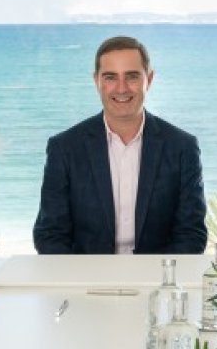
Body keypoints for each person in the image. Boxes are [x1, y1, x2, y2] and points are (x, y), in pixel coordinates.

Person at [33, 36, 207, 254]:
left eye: (132, 77)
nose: (121, 88)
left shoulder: (182, 147)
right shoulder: (64, 148)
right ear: (96, 81)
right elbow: (50, 235)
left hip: (157, 273)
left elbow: (191, 235)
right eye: (110, 77)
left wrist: (159, 273)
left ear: (149, 79)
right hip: (87, 273)